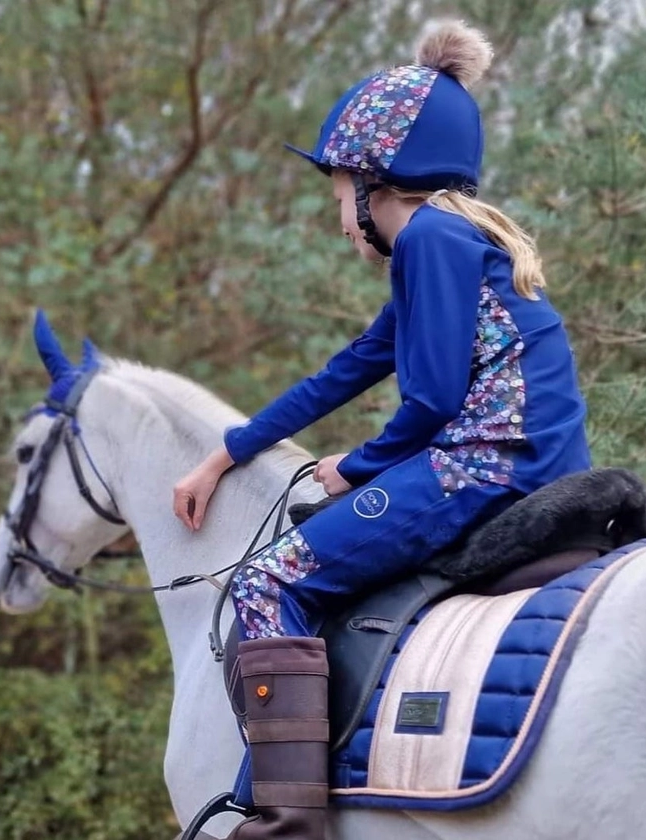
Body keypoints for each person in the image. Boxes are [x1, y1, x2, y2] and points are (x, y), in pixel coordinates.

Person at [172, 19, 590, 840]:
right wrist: (228, 451)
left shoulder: (429, 238)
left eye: (336, 194)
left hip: (483, 468)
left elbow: (431, 403)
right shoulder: (453, 242)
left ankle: (284, 821)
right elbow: (350, 366)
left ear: (373, 183)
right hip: (528, 463)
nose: (336, 215)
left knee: (264, 582)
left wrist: (353, 469)